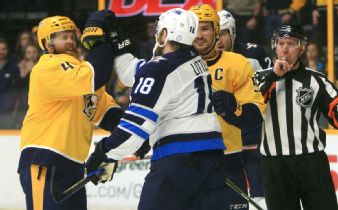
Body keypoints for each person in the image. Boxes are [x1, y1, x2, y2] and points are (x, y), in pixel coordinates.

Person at [85, 8, 227, 210]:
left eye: (159, 30)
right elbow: (131, 73)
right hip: (213, 158)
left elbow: (134, 128)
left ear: (165, 34)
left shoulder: (159, 69)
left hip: (178, 160)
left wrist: (104, 152)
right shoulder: (195, 62)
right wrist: (118, 40)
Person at [17, 12, 125, 210]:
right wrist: (103, 40)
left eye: (71, 36)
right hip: (44, 160)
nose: (70, 41)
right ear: (48, 44)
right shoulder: (48, 66)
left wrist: (127, 141)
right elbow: (98, 73)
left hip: (74, 166)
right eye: (62, 37)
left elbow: (107, 114)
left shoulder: (82, 73)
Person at [255, 24, 338, 210]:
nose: (284, 48)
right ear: (274, 46)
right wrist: (274, 76)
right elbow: (250, 108)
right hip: (275, 166)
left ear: (301, 47)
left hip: (311, 162)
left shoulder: (317, 80)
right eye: (281, 43)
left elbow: (337, 106)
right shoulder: (260, 78)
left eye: (290, 43)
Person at [189, 4, 266, 210]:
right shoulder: (173, 64)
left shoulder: (238, 63)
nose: (199, 35)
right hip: (185, 161)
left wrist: (234, 109)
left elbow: (256, 111)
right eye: (195, 28)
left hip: (228, 158)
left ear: (216, 31)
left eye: (205, 28)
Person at [217, 9, 270, 209]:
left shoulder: (253, 54)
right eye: (216, 33)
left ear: (232, 33)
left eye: (223, 33)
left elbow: (270, 87)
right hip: (223, 136)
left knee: (259, 192)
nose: (219, 39)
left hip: (251, 131)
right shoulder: (201, 59)